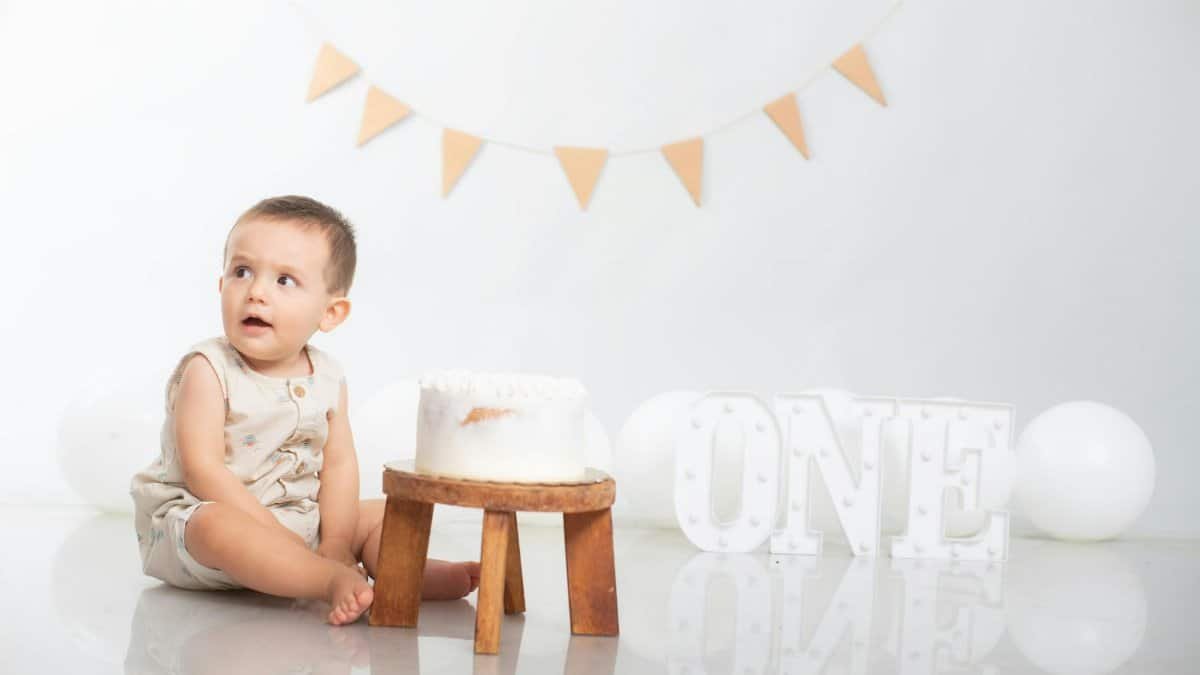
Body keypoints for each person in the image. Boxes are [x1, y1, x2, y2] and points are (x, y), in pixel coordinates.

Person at [130, 195, 479, 625]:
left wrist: (334, 539)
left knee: (384, 513)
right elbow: (204, 471)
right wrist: (278, 537)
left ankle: (404, 572)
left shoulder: (328, 377)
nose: (256, 292)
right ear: (221, 286)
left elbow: (338, 466)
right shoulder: (209, 370)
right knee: (215, 525)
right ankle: (325, 581)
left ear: (331, 312)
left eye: (284, 281)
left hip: (298, 522)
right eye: (242, 272)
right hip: (207, 528)